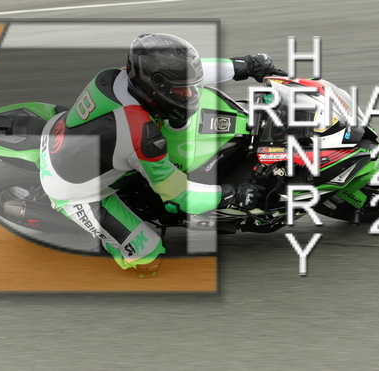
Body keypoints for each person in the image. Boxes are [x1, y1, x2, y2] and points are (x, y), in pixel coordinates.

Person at [38, 33, 287, 277]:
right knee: (148, 259)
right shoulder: (141, 135)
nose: (191, 94)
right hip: (73, 188)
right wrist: (232, 194)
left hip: (73, 139)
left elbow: (187, 76)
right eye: (181, 91)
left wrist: (245, 65)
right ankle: (106, 237)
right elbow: (181, 196)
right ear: (156, 87)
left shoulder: (120, 77)